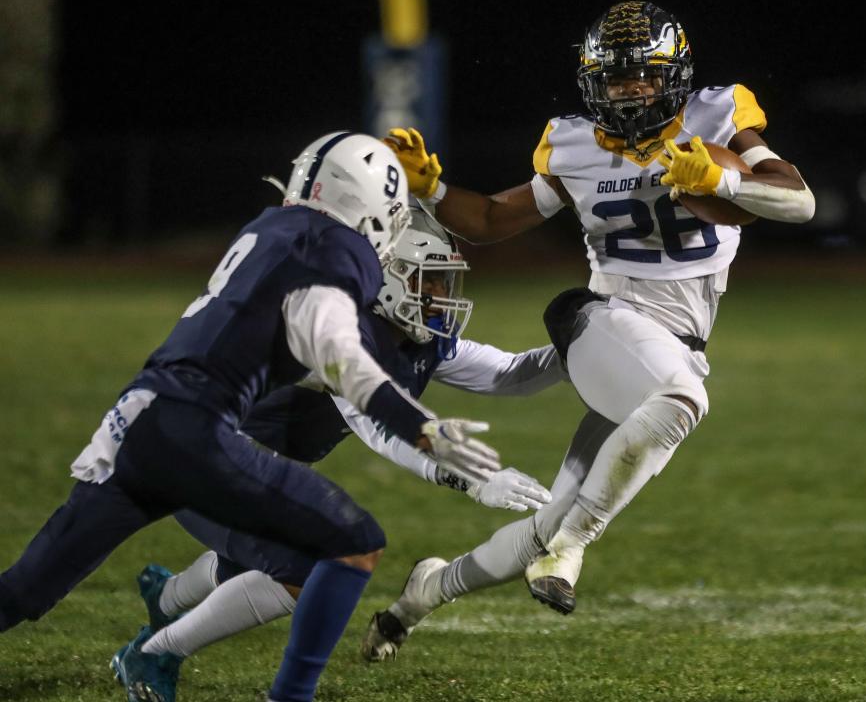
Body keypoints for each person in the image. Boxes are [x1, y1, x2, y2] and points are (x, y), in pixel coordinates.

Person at [362, 0, 816, 659]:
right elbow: (491, 220)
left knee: (547, 521)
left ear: (676, 76)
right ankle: (573, 547)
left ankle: (419, 597)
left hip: (671, 350)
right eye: (616, 79)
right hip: (602, 321)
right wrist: (432, 189)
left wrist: (719, 177)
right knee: (681, 403)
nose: (630, 91)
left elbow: (798, 200)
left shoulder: (720, 112)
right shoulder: (575, 142)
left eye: (644, 77)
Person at [0, 131, 504, 702]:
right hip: (197, 433)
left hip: (135, 419)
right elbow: (340, 357)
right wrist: (419, 427)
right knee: (353, 541)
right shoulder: (333, 252)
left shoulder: (271, 226)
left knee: (23, 592)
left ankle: (168, 616)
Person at [113, 208, 562, 691]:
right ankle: (152, 655)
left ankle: (167, 599)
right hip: (193, 451)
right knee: (304, 564)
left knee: (257, 554)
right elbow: (381, 429)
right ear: (387, 279)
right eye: (428, 280)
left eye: (443, 281)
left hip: (224, 451)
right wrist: (473, 479)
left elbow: (510, 373)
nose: (440, 296)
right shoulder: (338, 328)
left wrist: (581, 346)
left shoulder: (410, 335)